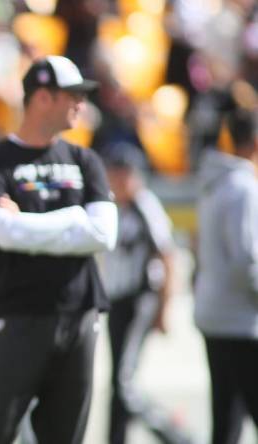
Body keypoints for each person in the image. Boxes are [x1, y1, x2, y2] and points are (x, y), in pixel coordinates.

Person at [0, 55, 117, 444]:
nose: (81, 105)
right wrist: (74, 221)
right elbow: (4, 233)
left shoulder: (85, 159)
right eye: (72, 96)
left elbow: (103, 234)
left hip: (80, 316)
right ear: (42, 98)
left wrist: (31, 223)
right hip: (19, 317)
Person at [100, 146, 190, 444]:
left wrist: (164, 308)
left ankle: (172, 433)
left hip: (138, 300)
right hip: (117, 300)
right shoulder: (115, 206)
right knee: (119, 382)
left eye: (122, 174)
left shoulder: (144, 206)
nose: (117, 180)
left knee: (123, 382)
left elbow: (167, 255)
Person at [195, 110, 258, 444]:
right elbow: (246, 260)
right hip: (242, 322)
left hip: (215, 315)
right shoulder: (243, 188)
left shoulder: (215, 183)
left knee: (226, 419)